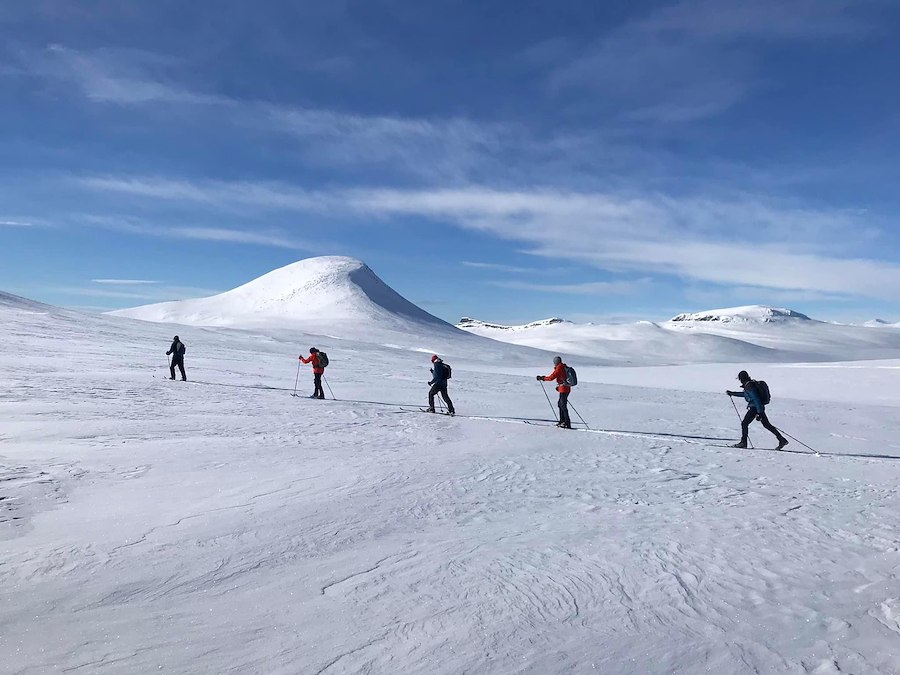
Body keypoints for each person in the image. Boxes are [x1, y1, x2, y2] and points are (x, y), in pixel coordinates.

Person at [727, 370, 788, 450]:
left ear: (741, 378)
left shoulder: (749, 386)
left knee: (744, 423)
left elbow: (756, 399)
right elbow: (746, 394)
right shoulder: (750, 384)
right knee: (767, 425)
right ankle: (781, 440)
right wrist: (733, 393)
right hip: (758, 407)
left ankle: (743, 443)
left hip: (755, 408)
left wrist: (759, 412)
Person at [538, 356, 571, 429]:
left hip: (564, 388)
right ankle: (563, 421)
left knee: (562, 405)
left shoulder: (559, 368)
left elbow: (551, 377)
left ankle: (566, 422)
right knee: (561, 404)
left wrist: (542, 378)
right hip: (565, 388)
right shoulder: (563, 367)